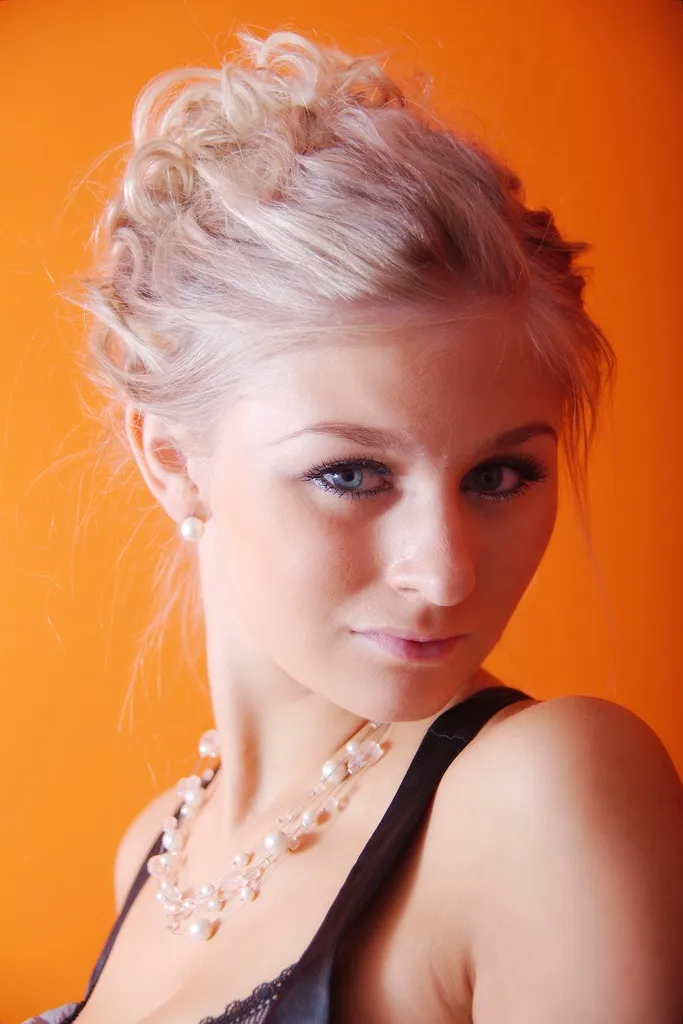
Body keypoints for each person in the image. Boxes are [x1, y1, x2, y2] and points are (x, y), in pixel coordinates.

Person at [27, 27, 682, 1024]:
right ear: (171, 457)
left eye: (499, 474)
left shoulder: (545, 794)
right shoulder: (155, 853)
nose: (444, 572)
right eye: (351, 473)